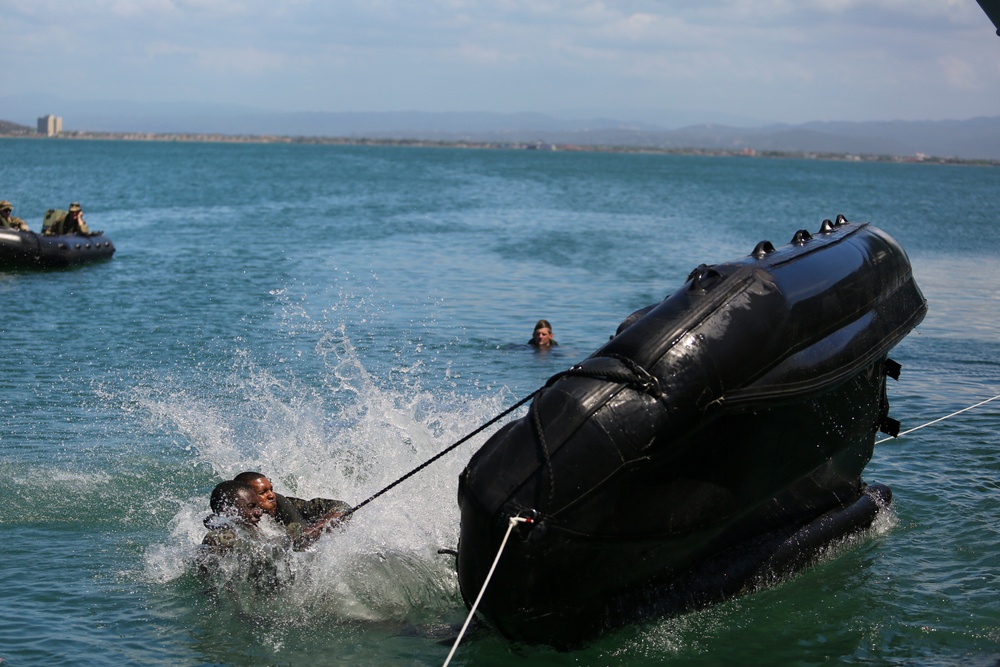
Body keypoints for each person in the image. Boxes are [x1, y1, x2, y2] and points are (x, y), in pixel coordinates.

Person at [233, 471, 351, 543]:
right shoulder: (236, 517)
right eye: (262, 492)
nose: (271, 495)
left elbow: (343, 507)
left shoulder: (288, 505)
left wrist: (321, 525)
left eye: (271, 490)